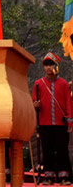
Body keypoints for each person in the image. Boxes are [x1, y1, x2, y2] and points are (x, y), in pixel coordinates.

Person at [32, 52, 72, 185]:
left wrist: (70, 121)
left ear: (56, 66)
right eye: (46, 65)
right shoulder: (38, 84)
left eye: (51, 65)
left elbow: (68, 103)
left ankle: (64, 177)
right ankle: (48, 177)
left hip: (61, 123)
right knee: (47, 150)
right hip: (44, 123)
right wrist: (35, 105)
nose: (48, 68)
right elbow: (34, 102)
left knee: (62, 150)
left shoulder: (64, 84)